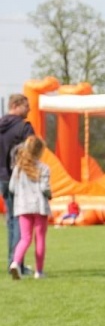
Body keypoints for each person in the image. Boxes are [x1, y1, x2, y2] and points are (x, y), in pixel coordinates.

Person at [1, 93, 37, 272]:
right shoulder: (24, 127)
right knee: (20, 220)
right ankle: (16, 263)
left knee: (11, 220)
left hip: (2, 178)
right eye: (26, 106)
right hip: (20, 178)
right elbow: (33, 153)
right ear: (16, 105)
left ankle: (13, 261)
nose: (29, 110)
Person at [8, 136, 51, 280]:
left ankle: (15, 263)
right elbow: (44, 188)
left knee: (25, 238)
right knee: (40, 239)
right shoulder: (44, 168)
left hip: (23, 207)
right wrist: (49, 194)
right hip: (39, 207)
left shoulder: (18, 168)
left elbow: (12, 187)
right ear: (39, 151)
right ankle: (39, 271)